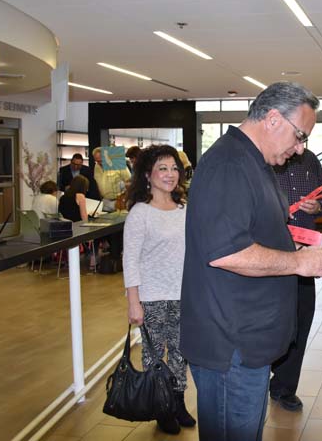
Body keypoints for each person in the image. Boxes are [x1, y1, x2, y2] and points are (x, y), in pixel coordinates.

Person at [180, 82, 322, 441]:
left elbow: (251, 232)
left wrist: (294, 250)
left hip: (246, 343)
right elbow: (226, 251)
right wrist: (296, 264)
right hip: (230, 348)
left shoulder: (255, 162)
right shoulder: (228, 164)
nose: (299, 150)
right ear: (271, 119)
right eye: (299, 136)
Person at [123, 145, 196, 434]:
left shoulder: (184, 208)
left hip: (184, 294)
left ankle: (177, 402)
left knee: (180, 354)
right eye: (163, 168)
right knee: (154, 356)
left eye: (174, 168)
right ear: (147, 175)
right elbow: (130, 260)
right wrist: (133, 302)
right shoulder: (140, 213)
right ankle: (161, 406)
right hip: (152, 296)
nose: (170, 174)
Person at [270, 148, 322, 411]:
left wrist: (318, 206)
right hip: (270, 254)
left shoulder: (310, 159)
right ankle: (262, 371)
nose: (298, 144)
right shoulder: (266, 157)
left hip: (305, 254)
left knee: (301, 319)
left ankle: (284, 386)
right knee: (271, 319)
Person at [93, 147, 131, 212]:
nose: (100, 163)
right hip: (105, 201)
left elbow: (129, 181)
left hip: (119, 201)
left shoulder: (118, 163)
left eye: (101, 161)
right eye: (97, 161)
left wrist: (124, 199)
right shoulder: (97, 166)